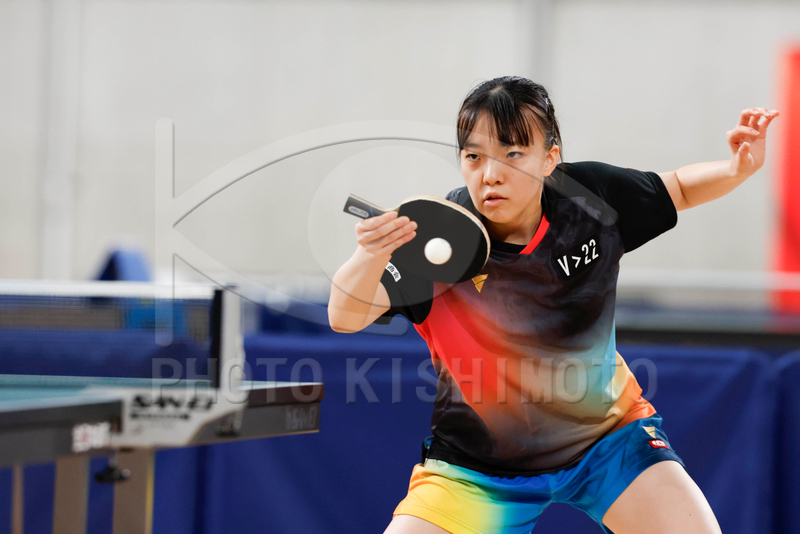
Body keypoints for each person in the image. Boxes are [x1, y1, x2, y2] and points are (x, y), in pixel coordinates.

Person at [327, 76, 779, 534]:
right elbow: (343, 317)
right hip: (478, 472)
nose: (490, 174)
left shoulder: (590, 199)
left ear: (550, 158)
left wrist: (735, 170)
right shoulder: (439, 241)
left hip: (608, 441)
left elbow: (676, 189)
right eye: (473, 156)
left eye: (513, 153)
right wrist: (369, 255)